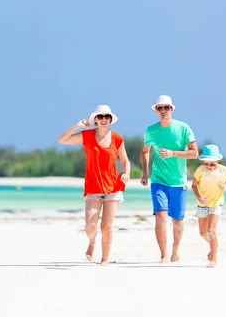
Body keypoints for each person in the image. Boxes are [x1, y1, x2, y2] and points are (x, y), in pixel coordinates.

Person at [58, 105, 130, 265]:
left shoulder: (117, 138)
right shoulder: (86, 135)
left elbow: (125, 160)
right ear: (95, 120)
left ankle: (105, 259)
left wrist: (127, 173)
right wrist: (78, 125)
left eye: (107, 117)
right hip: (93, 188)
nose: (104, 119)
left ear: (110, 120)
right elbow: (62, 140)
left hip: (113, 187)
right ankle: (92, 242)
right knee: (90, 226)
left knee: (107, 226)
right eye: (100, 116)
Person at [140, 95, 198, 263]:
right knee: (160, 216)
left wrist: (173, 153)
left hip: (178, 182)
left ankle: (175, 250)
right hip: (158, 179)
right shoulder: (151, 130)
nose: (163, 111)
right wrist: (145, 173)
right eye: (160, 108)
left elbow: (194, 153)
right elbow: (145, 151)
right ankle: (163, 254)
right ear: (156, 111)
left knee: (178, 221)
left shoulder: (183, 128)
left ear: (172, 109)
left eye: (166, 108)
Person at [191, 144, 226, 268]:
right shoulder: (200, 170)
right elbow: (193, 185)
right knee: (203, 233)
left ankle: (213, 259)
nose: (209, 166)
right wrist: (198, 197)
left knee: (211, 230)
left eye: (212, 164)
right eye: (206, 163)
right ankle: (214, 247)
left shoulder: (224, 171)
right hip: (202, 204)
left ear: (218, 161)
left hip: (216, 202)